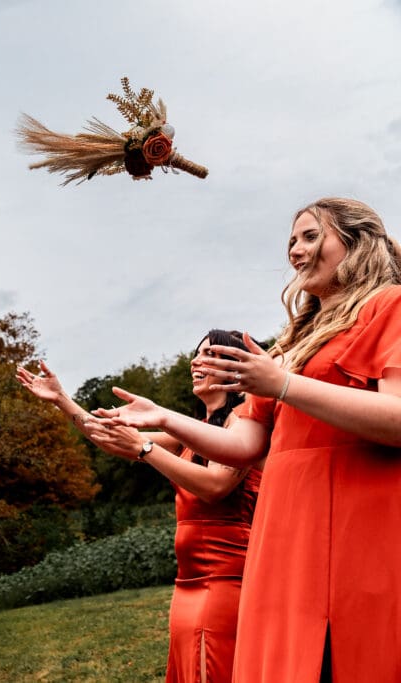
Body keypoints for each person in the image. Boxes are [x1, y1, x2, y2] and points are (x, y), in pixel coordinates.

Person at [97, 198, 401, 682]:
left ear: (356, 240)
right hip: (284, 534)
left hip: (357, 526)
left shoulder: (390, 307)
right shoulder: (296, 339)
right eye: (291, 242)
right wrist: (164, 418)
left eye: (309, 236)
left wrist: (281, 382)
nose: (296, 252)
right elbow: (244, 446)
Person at [17, 329, 264, 683]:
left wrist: (146, 451)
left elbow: (216, 486)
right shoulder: (196, 429)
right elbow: (110, 437)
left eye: (208, 353)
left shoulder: (242, 421)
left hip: (225, 581)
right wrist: (62, 400)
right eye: (195, 354)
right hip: (188, 583)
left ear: (232, 365)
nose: (194, 361)